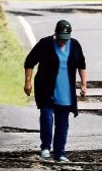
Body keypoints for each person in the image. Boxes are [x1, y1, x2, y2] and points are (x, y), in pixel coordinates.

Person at [23, 19, 88, 162]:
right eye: (60, 38)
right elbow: (29, 62)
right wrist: (28, 81)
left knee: (62, 121)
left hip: (65, 89)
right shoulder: (45, 43)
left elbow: (82, 65)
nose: (62, 41)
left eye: (65, 39)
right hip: (46, 87)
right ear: (55, 34)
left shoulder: (75, 45)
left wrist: (84, 85)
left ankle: (60, 152)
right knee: (46, 115)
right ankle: (45, 147)